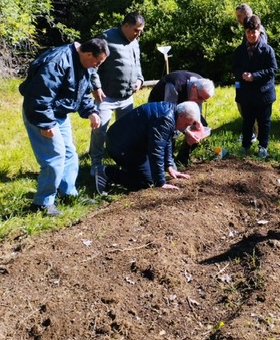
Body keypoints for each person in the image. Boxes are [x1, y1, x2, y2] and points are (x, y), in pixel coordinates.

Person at [19, 38, 109, 216]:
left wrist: (90, 110)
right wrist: (45, 123)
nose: (97, 66)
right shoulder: (57, 61)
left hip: (59, 113)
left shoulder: (84, 64)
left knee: (69, 154)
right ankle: (42, 204)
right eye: (97, 62)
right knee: (54, 157)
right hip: (41, 113)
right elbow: (39, 95)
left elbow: (81, 91)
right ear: (89, 54)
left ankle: (68, 194)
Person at [95, 101, 201, 194]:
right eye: (187, 124)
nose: (186, 128)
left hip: (129, 143)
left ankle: (129, 169)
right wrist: (160, 183)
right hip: (121, 147)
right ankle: (107, 173)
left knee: (150, 173)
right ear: (181, 116)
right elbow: (156, 151)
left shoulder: (172, 111)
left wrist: (169, 166)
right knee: (147, 182)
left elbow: (166, 139)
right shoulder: (165, 118)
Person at [89, 12, 145, 176]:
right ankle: (96, 164)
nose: (138, 34)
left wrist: (140, 80)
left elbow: (137, 65)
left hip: (127, 97)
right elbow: (93, 65)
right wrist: (96, 87)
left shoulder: (135, 42)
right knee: (100, 129)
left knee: (126, 132)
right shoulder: (106, 38)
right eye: (136, 30)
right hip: (106, 96)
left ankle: (122, 160)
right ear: (125, 26)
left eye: (140, 31)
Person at [147, 70, 215, 165]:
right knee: (171, 129)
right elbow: (170, 114)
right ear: (194, 87)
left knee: (200, 127)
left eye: (203, 100)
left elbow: (196, 108)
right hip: (161, 106)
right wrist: (186, 131)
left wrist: (198, 122)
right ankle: (166, 161)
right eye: (199, 97)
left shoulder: (200, 84)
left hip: (182, 106)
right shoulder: (174, 85)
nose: (199, 101)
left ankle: (181, 159)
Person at [233, 15, 277, 158]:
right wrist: (242, 74)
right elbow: (234, 68)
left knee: (264, 122)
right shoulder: (239, 51)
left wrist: (255, 76)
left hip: (263, 92)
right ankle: (245, 146)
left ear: (259, 31)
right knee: (247, 121)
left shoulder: (267, 50)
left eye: (254, 32)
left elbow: (272, 70)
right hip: (246, 93)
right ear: (245, 33)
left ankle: (262, 147)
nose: (251, 35)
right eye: (248, 32)